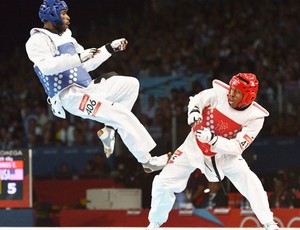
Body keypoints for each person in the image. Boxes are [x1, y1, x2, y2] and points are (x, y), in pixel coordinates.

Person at [25, 0, 169, 173]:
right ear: (51, 15)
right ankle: (147, 161)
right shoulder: (37, 41)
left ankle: (109, 130)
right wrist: (79, 57)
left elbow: (87, 63)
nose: (68, 17)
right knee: (120, 114)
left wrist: (109, 48)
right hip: (72, 97)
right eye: (63, 13)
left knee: (131, 85)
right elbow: (47, 67)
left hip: (88, 88)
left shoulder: (68, 37)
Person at [146, 73, 279, 230]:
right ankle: (155, 222)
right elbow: (196, 100)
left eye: (237, 92)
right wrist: (194, 112)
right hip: (193, 146)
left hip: (225, 156)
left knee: (250, 182)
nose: (231, 94)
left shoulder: (255, 117)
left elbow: (237, 147)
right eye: (232, 89)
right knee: (163, 182)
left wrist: (213, 140)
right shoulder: (218, 93)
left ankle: (269, 222)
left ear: (248, 96)